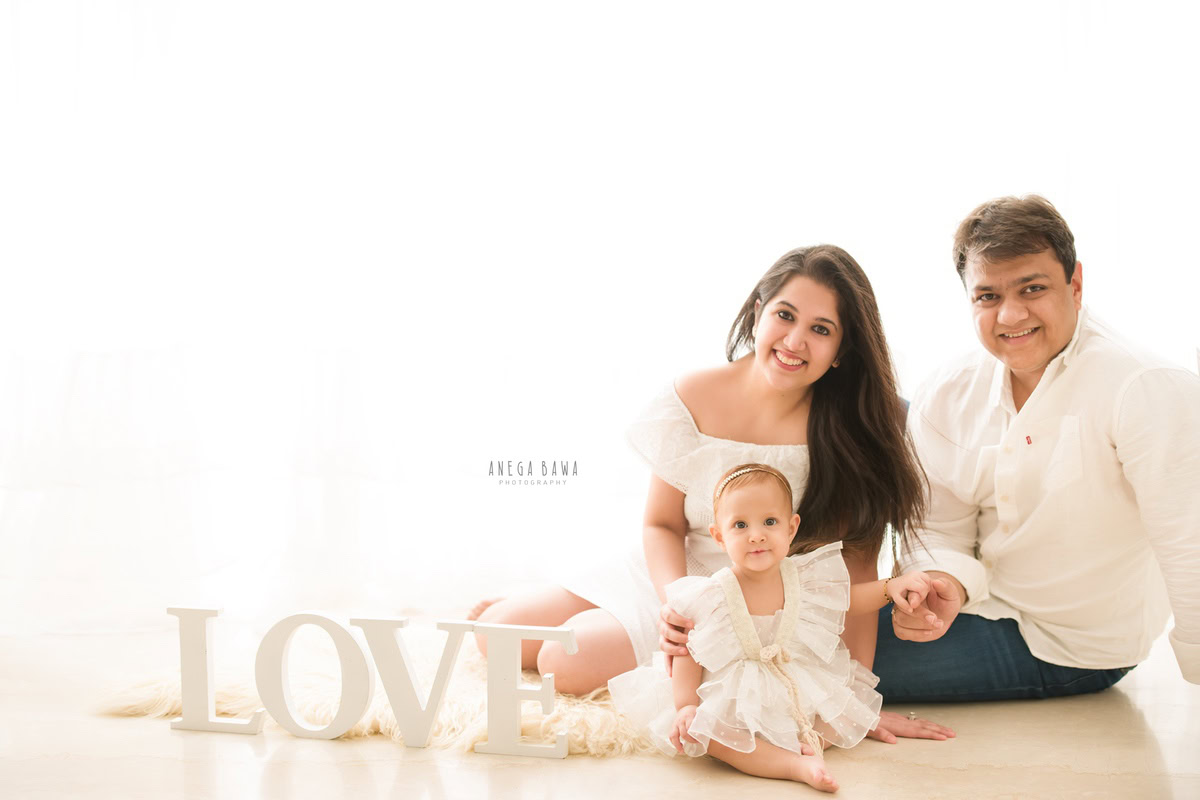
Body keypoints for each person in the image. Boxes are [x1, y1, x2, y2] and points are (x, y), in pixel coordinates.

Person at [471, 245, 953, 742]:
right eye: (784, 316)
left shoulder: (850, 433)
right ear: (757, 311)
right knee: (495, 636)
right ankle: (558, 600)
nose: (794, 340)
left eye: (821, 329)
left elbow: (852, 567)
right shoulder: (695, 394)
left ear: (841, 352)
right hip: (672, 582)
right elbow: (662, 524)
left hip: (744, 607)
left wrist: (852, 705)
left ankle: (596, 625)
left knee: (561, 661)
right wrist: (674, 605)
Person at [875, 194, 1200, 700]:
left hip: (1073, 644)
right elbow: (938, 526)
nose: (1010, 314)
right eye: (986, 296)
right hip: (976, 606)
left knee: (826, 663)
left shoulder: (1146, 387)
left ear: (1075, 285)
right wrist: (941, 583)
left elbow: (1189, 544)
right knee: (798, 630)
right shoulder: (947, 390)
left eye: (1033, 288)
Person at [608, 464, 943, 792]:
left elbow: (848, 599)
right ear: (719, 536)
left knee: (842, 714)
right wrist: (686, 706)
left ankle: (807, 744)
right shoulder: (710, 594)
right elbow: (689, 653)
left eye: (770, 521)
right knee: (708, 733)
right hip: (735, 691)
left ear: (791, 528)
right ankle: (793, 765)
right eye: (740, 525)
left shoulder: (804, 577)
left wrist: (890, 588)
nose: (757, 535)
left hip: (790, 680)